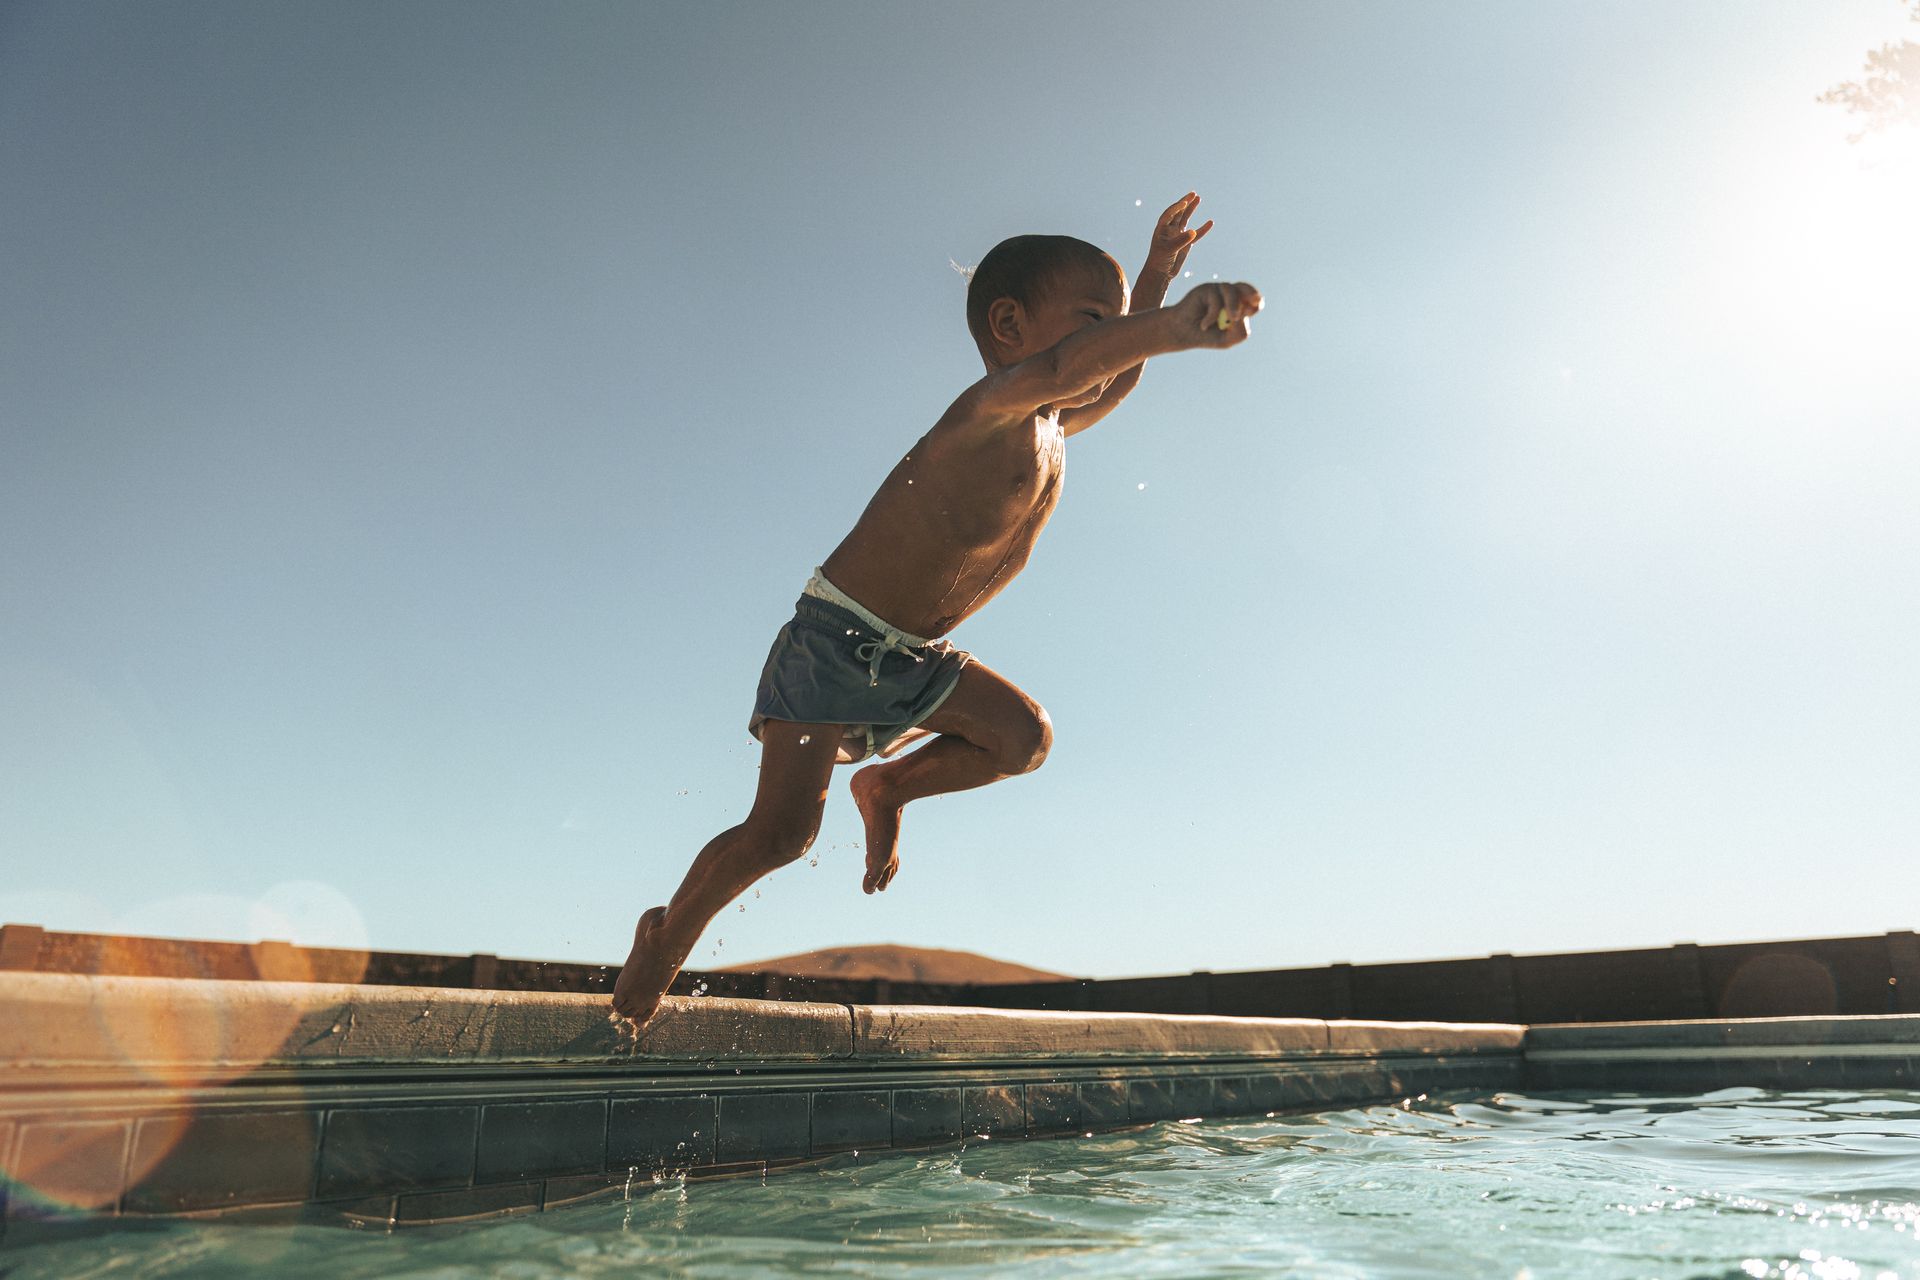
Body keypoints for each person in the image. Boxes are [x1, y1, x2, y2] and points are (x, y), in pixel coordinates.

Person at [612, 193, 1261, 1024]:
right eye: (1093, 318)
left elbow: (1113, 376)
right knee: (780, 835)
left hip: (913, 655)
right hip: (835, 641)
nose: (1109, 337)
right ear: (1009, 326)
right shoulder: (988, 412)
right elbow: (1074, 368)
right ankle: (663, 943)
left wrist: (1161, 275)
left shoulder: (1058, 426)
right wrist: (1172, 322)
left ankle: (888, 788)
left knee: (1024, 738)